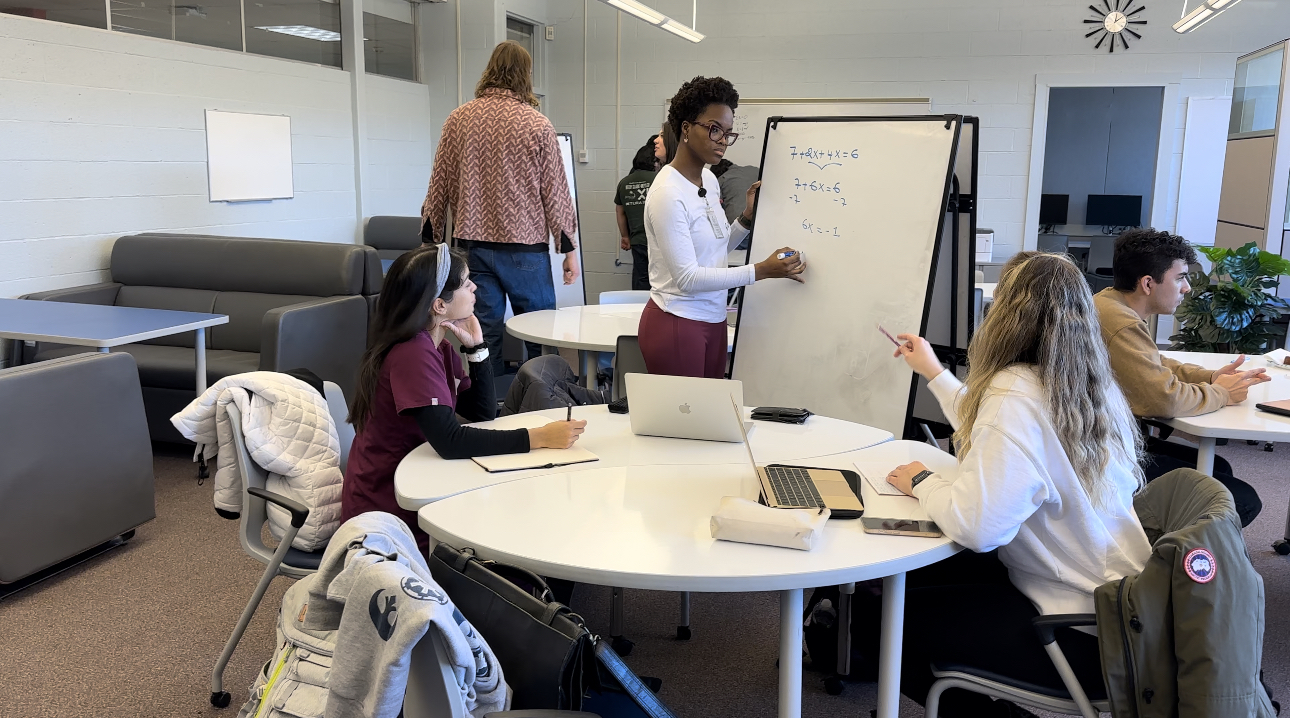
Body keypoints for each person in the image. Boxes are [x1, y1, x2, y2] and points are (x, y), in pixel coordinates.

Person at [886, 252, 1151, 717]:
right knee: (920, 581)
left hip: (1077, 633)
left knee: (886, 622)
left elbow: (978, 528)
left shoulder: (1013, 391)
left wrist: (923, 481)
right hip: (1125, 617)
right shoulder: (1089, 384)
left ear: (1004, 316)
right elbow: (1007, 435)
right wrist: (934, 372)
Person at [342, 244, 586, 549]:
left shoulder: (437, 346)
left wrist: (477, 348)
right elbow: (450, 441)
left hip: (421, 480)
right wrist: (539, 437)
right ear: (439, 306)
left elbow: (481, 413)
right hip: (387, 514)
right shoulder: (412, 353)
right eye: (465, 282)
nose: (474, 287)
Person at [420, 40, 579, 375]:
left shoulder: (459, 119)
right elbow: (556, 191)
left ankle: (486, 402)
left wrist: (431, 236)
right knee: (540, 329)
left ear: (490, 70)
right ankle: (540, 394)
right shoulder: (537, 124)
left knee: (482, 332)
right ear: (525, 75)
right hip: (525, 248)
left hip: (472, 246)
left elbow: (440, 180)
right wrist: (568, 250)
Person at [1094, 228, 1267, 526]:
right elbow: (1164, 400)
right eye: (1179, 278)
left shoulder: (1110, 303)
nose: (1186, 288)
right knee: (1241, 499)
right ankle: (1168, 561)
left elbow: (1153, 362)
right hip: (1105, 459)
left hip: (1107, 442)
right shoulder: (1119, 321)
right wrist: (1222, 394)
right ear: (1148, 283)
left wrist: (1211, 377)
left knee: (1219, 467)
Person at [639, 76, 805, 378]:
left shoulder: (710, 180)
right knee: (683, 425)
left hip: (713, 320)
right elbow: (688, 278)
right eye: (715, 129)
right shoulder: (667, 193)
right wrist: (761, 270)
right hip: (677, 321)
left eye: (728, 133)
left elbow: (714, 249)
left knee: (707, 421)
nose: (723, 141)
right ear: (686, 129)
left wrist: (745, 219)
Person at [615, 139, 660, 291]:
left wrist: (625, 236)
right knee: (660, 280)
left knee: (641, 279)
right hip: (658, 240)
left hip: (637, 241)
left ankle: (638, 310)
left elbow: (620, 213)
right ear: (654, 162)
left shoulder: (624, 183)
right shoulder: (659, 180)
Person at [711, 159, 761, 252]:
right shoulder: (755, 170)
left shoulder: (720, 180)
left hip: (739, 238)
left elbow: (715, 212)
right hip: (763, 235)